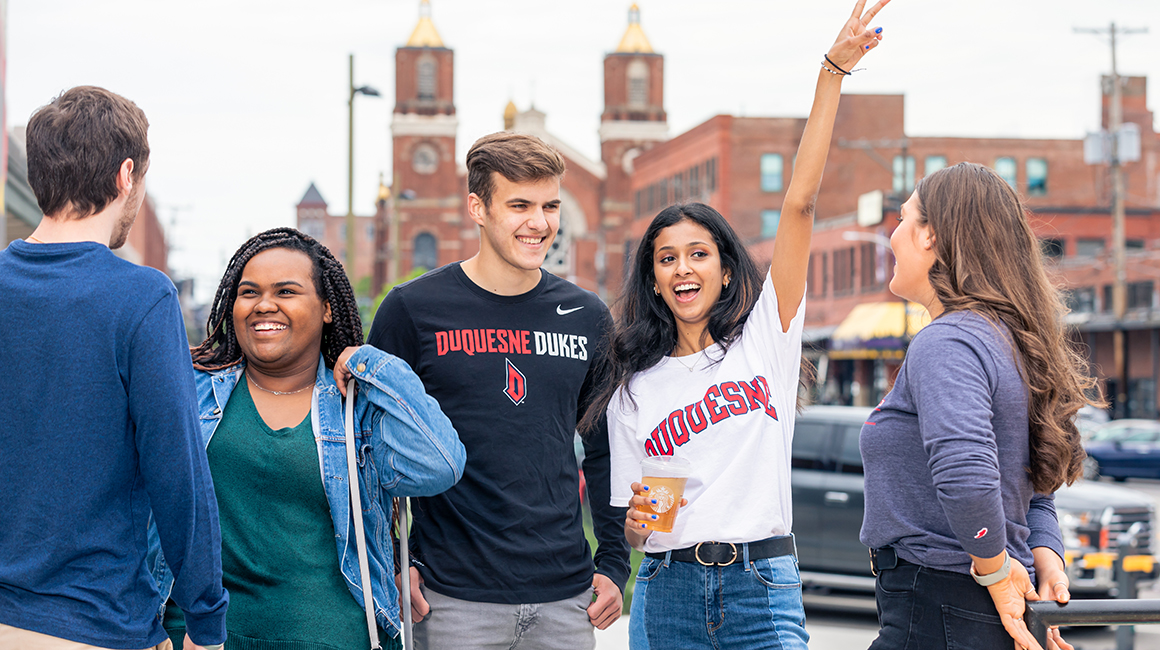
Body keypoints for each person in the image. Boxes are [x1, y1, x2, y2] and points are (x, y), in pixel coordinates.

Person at [592, 3, 890, 648]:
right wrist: (638, 524)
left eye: (699, 254)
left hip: (763, 583)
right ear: (652, 279)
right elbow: (635, 529)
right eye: (665, 258)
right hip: (666, 586)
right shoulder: (632, 385)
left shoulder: (766, 343)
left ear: (726, 271)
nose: (682, 268)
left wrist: (832, 72)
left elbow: (801, 204)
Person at [367, 132, 631, 650]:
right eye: (520, 205)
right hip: (451, 599)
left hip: (565, 599)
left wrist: (614, 562)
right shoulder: (413, 310)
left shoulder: (587, 316)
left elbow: (603, 450)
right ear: (478, 208)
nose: (540, 223)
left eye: (550, 205)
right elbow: (370, 451)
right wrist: (396, 558)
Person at [156, 228, 466, 649]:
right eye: (249, 292)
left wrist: (372, 363)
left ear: (326, 308)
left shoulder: (357, 407)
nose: (264, 305)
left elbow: (439, 464)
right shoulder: (192, 390)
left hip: (334, 638)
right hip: (202, 639)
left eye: (286, 291)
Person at [0, 87, 227, 650]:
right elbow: (178, 473)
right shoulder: (140, 297)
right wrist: (206, 620)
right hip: (95, 623)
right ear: (127, 175)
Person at [859, 162, 1093, 650]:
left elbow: (966, 472)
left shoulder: (947, 341)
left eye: (903, 219)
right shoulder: (1010, 339)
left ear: (931, 236)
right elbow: (1036, 484)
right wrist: (1045, 559)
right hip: (983, 597)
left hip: (939, 600)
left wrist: (993, 567)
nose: (894, 234)